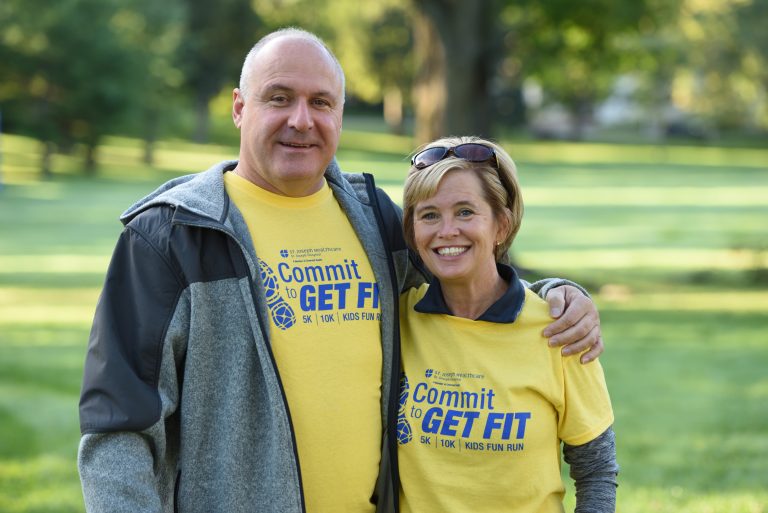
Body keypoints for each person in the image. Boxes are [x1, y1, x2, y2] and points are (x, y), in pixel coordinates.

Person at [77, 28, 604, 513]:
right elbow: (119, 426)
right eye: (279, 98)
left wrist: (558, 294)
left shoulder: (375, 220)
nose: (301, 120)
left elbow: (465, 276)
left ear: (340, 114)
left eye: (321, 102)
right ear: (239, 107)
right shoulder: (173, 236)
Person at [396, 136, 618, 513]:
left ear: (502, 225)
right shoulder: (397, 318)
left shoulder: (561, 327)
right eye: (429, 215)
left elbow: (596, 470)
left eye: (465, 212)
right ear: (413, 232)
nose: (446, 230)